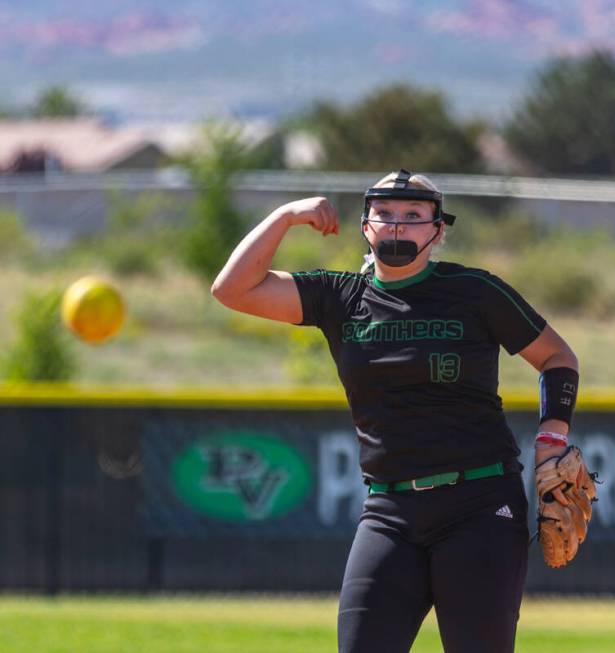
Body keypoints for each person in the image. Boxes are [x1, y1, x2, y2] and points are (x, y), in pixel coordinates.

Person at [211, 169, 581, 653]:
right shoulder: (339, 297)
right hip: (390, 511)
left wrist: (551, 438)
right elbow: (231, 289)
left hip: (480, 505)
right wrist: (286, 216)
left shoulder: (474, 291)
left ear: (438, 229)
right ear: (366, 226)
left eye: (412, 215)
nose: (397, 225)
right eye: (384, 214)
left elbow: (558, 358)